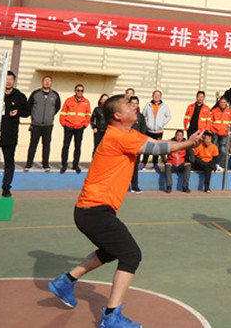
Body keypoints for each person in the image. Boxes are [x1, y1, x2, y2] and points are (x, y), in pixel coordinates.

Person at [47, 94, 202, 328]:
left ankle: (65, 282)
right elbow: (156, 147)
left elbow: (154, 143)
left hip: (92, 210)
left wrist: (187, 141)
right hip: (94, 211)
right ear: (118, 116)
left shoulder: (129, 134)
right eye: (129, 105)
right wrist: (188, 143)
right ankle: (111, 317)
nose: (134, 107)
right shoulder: (117, 136)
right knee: (131, 255)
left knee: (111, 251)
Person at [24, 76, 61, 171]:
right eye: (45, 81)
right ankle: (29, 164)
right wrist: (34, 117)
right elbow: (29, 106)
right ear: (42, 82)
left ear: (51, 83)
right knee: (33, 144)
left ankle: (45, 164)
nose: (47, 82)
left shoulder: (55, 95)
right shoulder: (35, 94)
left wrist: (50, 115)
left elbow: (57, 107)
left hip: (48, 125)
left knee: (46, 145)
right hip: (36, 124)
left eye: (49, 81)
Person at [60, 84, 91, 174]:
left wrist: (85, 125)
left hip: (79, 127)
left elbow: (88, 114)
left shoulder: (86, 102)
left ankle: (75, 165)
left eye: (82, 90)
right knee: (66, 146)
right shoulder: (69, 100)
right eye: (78, 90)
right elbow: (63, 112)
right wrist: (64, 124)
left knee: (78, 147)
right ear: (75, 91)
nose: (80, 92)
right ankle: (64, 165)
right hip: (68, 126)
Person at [140, 90, 171, 170]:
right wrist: (147, 124)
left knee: (157, 148)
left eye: (158, 95)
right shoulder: (148, 106)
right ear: (152, 96)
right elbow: (143, 116)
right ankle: (144, 162)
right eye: (155, 95)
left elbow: (168, 116)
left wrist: (161, 124)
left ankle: (155, 163)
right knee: (147, 147)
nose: (156, 97)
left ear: (160, 97)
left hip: (159, 131)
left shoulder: (164, 106)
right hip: (149, 130)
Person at [209, 96, 231, 170]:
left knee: (223, 150)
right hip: (215, 132)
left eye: (224, 102)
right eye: (221, 102)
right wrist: (212, 129)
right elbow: (210, 121)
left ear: (226, 103)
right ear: (219, 103)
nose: (223, 104)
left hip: (225, 133)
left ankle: (219, 164)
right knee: (214, 149)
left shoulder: (229, 111)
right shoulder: (214, 111)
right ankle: (212, 164)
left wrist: (230, 131)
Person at [128, 96, 146, 193]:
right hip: (126, 144)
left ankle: (135, 186)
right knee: (124, 166)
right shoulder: (125, 115)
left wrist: (141, 141)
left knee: (135, 166)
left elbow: (143, 130)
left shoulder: (140, 116)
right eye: (132, 103)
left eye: (136, 104)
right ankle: (122, 186)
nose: (134, 105)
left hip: (136, 145)